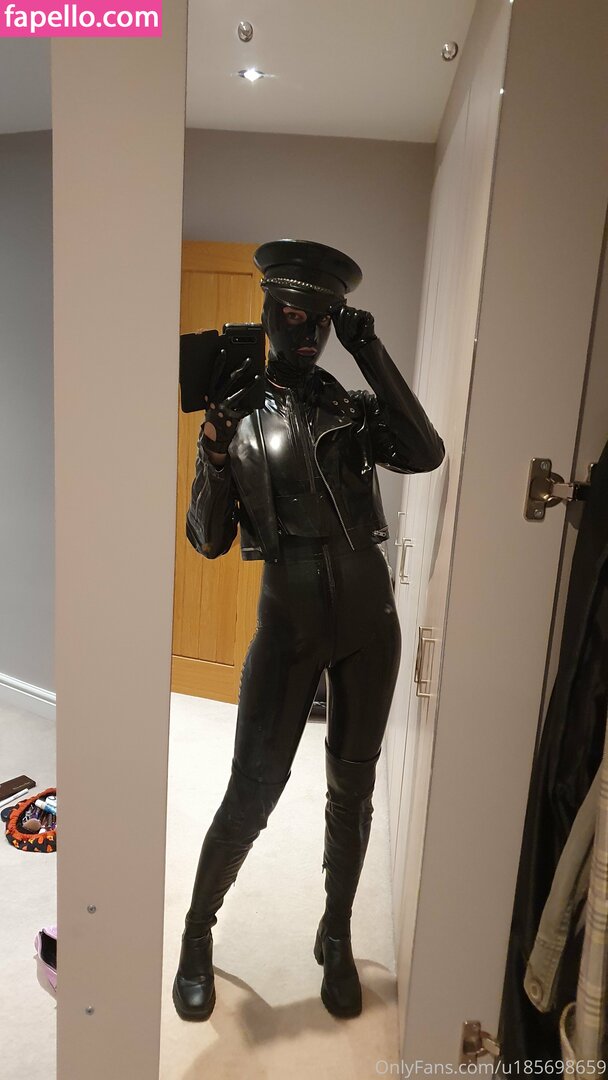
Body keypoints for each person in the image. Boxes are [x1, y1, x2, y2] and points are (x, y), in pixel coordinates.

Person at [173, 239, 445, 1023]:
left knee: (351, 793)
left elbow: (425, 452)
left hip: (368, 623)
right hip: (287, 626)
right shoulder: (236, 413)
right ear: (265, 312)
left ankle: (336, 932)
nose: (306, 333)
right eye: (291, 315)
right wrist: (214, 450)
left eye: (322, 322)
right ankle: (197, 933)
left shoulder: (351, 409)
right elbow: (207, 539)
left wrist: (371, 350)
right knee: (252, 791)